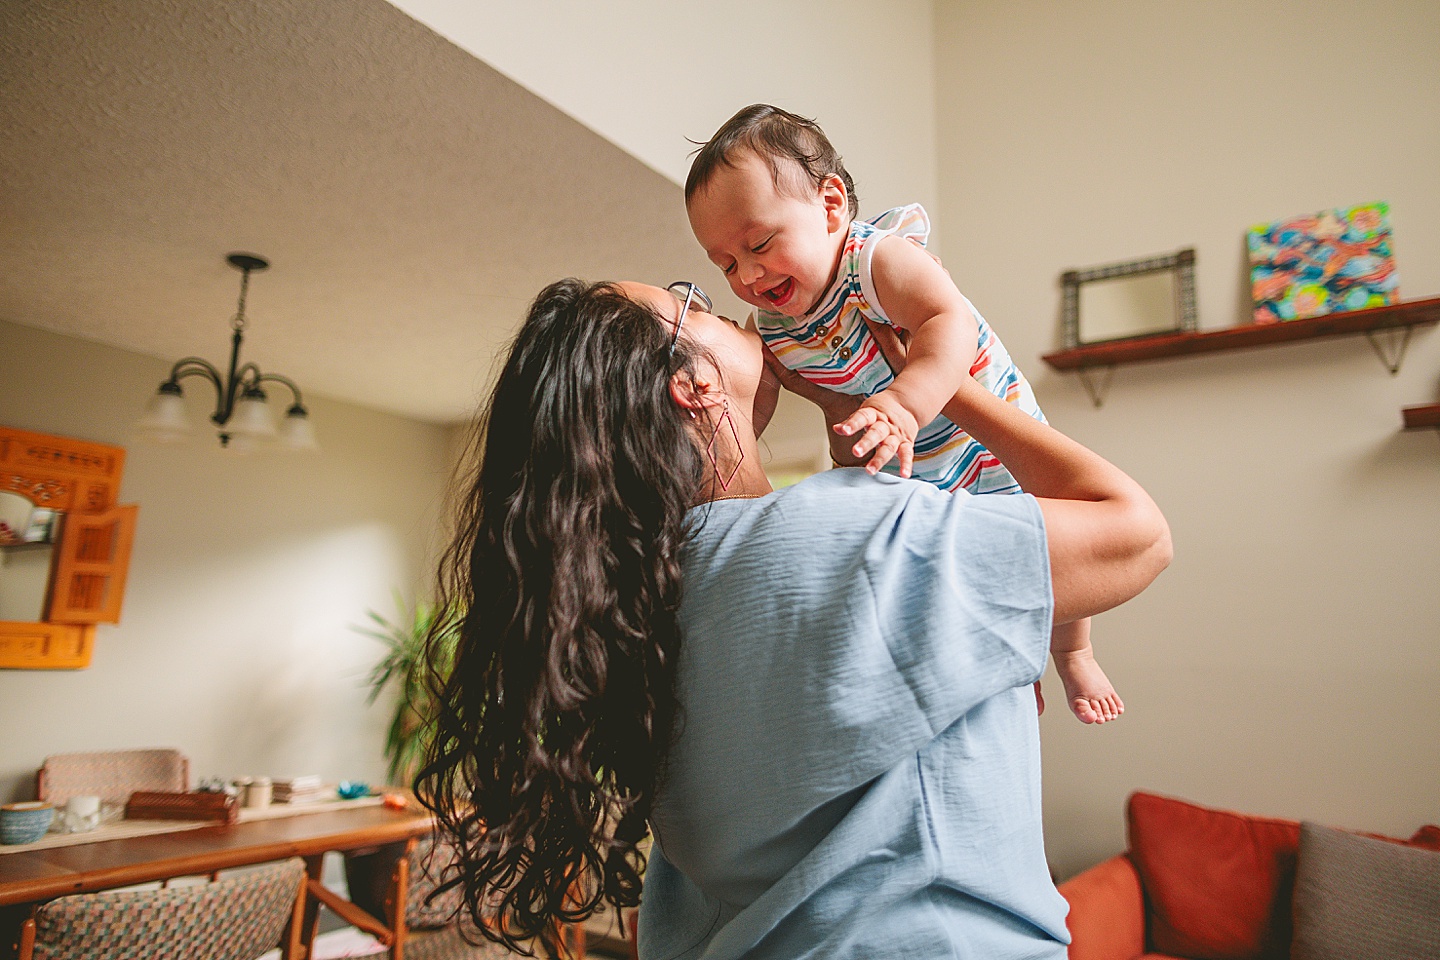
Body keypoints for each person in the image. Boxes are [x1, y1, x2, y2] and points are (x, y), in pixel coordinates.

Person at [415, 277, 1171, 960]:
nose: (727, 299)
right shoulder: (850, 530)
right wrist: (935, 384)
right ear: (694, 386)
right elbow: (1136, 534)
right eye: (695, 305)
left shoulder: (640, 611)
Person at [684, 103, 1121, 725]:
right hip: (922, 468)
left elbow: (950, 323)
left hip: (985, 442)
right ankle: (1011, 667)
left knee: (1050, 544)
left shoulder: (876, 261)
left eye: (758, 244)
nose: (748, 274)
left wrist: (903, 401)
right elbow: (793, 392)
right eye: (724, 264)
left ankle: (1074, 652)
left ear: (831, 205)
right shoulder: (777, 325)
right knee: (972, 567)